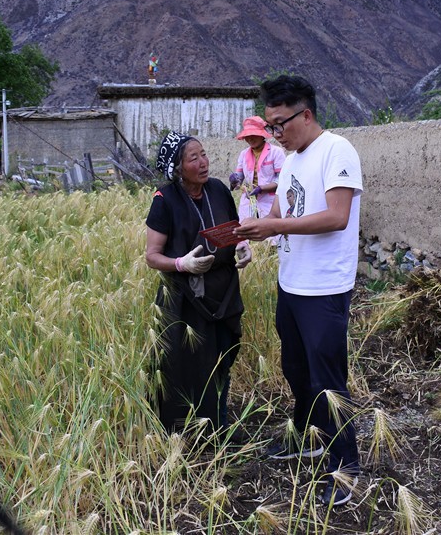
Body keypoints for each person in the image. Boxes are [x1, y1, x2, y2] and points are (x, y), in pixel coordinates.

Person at [233, 75, 363, 506]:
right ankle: (308, 437)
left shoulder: (337, 150)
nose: (274, 134)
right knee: (296, 368)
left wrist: (274, 224)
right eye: (269, 126)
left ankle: (345, 466)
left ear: (305, 115)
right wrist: (251, 232)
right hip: (291, 282)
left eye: (279, 124)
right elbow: (278, 212)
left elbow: (337, 216)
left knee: (328, 380)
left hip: (324, 287)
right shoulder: (291, 160)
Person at [145, 131, 252, 435]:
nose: (204, 162)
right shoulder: (165, 200)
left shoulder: (217, 190)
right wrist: (182, 264)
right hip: (184, 299)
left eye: (203, 154)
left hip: (223, 291)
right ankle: (181, 432)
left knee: (221, 361)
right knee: (183, 366)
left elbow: (232, 229)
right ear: (178, 168)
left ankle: (218, 426)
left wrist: (241, 245)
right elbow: (152, 256)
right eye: (194, 158)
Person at [228, 115, 285, 222]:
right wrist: (235, 179)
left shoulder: (276, 152)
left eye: (253, 134)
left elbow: (282, 180)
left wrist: (262, 188)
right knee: (247, 228)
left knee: (269, 230)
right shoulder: (244, 154)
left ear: (262, 135)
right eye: (247, 135)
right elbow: (239, 177)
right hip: (248, 201)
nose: (250, 138)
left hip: (270, 202)